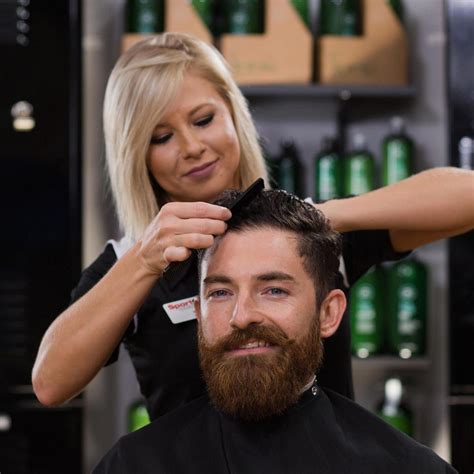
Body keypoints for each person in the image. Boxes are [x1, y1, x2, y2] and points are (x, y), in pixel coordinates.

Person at [32, 32, 474, 421]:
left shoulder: (310, 231)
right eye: (161, 137)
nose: (192, 147)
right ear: (136, 155)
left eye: (204, 119)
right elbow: (51, 384)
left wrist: (325, 216)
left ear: (233, 115)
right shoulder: (130, 258)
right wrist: (145, 260)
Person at [92, 189, 457, 474]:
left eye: (274, 290)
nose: (243, 315)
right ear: (199, 316)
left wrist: (319, 214)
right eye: (220, 292)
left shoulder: (406, 470)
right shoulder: (133, 466)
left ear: (329, 313)